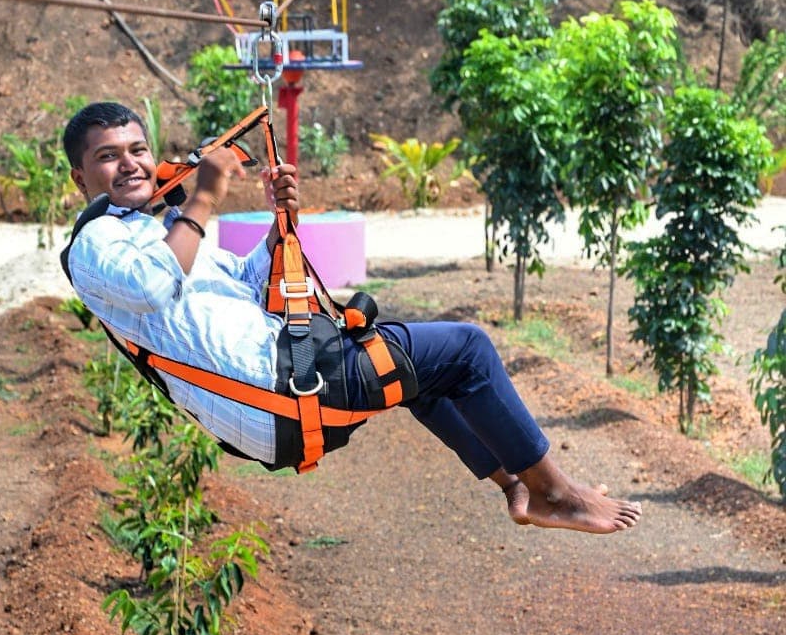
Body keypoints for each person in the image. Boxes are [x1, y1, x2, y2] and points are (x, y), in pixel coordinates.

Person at [62, 101, 643, 537]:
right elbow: (156, 283)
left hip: (283, 388)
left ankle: (518, 485)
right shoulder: (98, 243)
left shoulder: (158, 229)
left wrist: (279, 222)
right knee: (467, 350)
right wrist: (204, 200)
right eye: (107, 157)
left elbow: (247, 282)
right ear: (80, 179)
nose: (130, 164)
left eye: (137, 149)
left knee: (427, 376)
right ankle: (558, 495)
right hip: (277, 394)